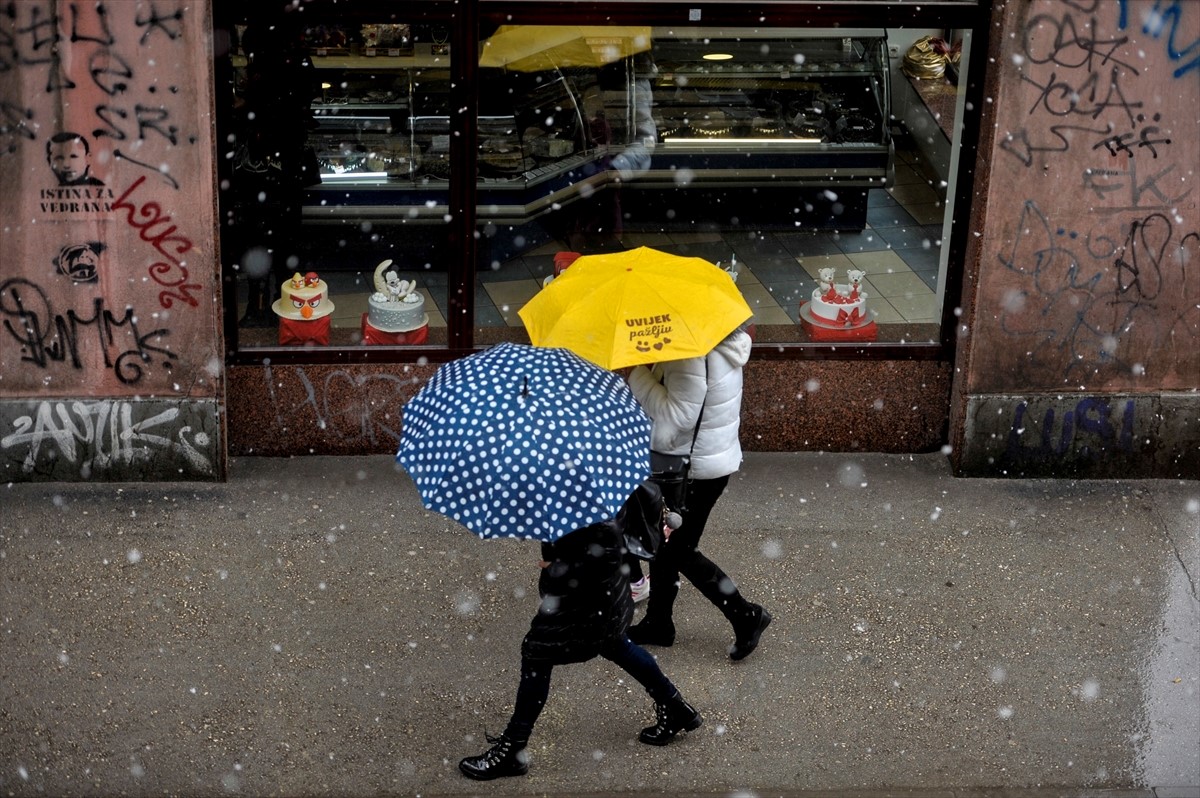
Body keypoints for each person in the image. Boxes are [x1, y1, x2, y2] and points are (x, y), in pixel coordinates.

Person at [459, 488, 702, 781]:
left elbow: (601, 551)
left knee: (536, 655)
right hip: (603, 594)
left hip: (585, 598)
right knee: (616, 644)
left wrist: (556, 566)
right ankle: (676, 707)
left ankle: (513, 749)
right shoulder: (590, 481)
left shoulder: (584, 500)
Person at [626, 324, 772, 660]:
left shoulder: (688, 352)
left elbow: (676, 420)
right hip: (710, 461)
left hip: (693, 471)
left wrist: (637, 376)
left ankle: (746, 615)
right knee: (667, 546)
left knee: (679, 550)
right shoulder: (718, 339)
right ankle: (659, 623)